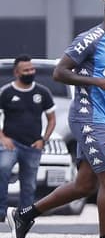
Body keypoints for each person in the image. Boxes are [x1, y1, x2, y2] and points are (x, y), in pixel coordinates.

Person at [7, 0, 105, 238]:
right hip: (86, 116)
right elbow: (59, 72)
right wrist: (97, 82)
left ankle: (25, 215)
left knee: (83, 185)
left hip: (104, 118)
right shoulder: (90, 39)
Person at [0, 55, 56, 223]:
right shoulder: (6, 92)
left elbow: (52, 119)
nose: (30, 72)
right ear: (17, 73)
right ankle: (1, 212)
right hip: (11, 144)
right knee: (2, 170)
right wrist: (3, 138)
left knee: (29, 183)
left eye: (32, 69)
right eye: (26, 70)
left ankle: (24, 216)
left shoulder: (42, 92)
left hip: (33, 145)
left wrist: (43, 140)